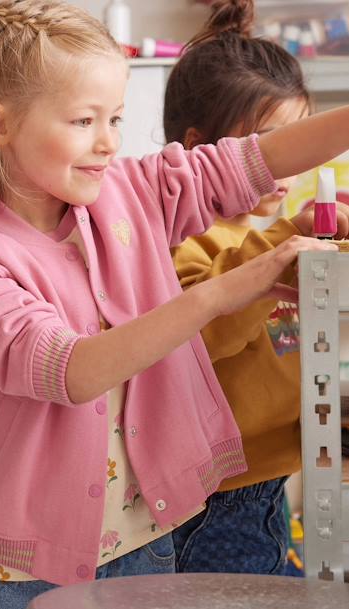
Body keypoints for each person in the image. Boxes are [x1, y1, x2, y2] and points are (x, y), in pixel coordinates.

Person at [0, 1, 349, 607]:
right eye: (84, 121)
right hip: (28, 566)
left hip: (148, 538)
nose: (108, 143)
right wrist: (226, 289)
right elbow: (74, 370)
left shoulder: (126, 193)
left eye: (114, 118)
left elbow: (255, 159)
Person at [165, 0, 336, 576]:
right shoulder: (181, 244)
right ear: (197, 147)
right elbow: (204, 331)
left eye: (299, 143)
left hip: (268, 494)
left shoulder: (264, 234)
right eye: (267, 145)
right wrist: (290, 241)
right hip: (210, 509)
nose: (286, 169)